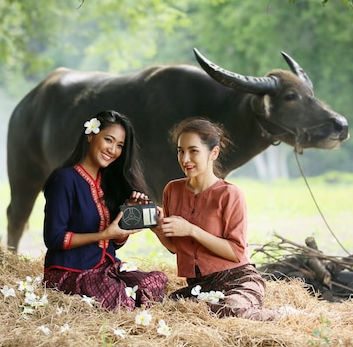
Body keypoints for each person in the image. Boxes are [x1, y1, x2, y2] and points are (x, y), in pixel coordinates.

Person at [152, 117, 280, 320]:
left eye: (193, 151)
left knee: (229, 311)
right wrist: (158, 227)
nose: (185, 159)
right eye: (180, 151)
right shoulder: (172, 190)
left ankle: (285, 316)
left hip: (237, 279)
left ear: (214, 153)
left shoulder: (230, 194)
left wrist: (191, 229)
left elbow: (236, 252)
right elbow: (177, 247)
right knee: (168, 311)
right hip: (199, 287)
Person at [42, 110, 167, 310]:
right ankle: (128, 302)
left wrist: (129, 219)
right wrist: (104, 234)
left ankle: (129, 301)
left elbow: (112, 243)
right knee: (116, 295)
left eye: (119, 146)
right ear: (90, 136)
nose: (113, 150)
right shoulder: (64, 179)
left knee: (156, 281)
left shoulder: (109, 183)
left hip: (106, 269)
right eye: (108, 140)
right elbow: (54, 238)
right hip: (71, 271)